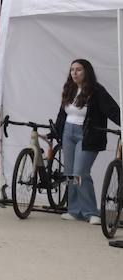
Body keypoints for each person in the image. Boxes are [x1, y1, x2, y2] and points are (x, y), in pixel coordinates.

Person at [50, 58, 120, 224]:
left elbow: (112, 110)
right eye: (72, 69)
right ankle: (74, 210)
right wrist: (54, 133)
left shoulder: (96, 90)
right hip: (68, 132)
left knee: (80, 172)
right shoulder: (69, 89)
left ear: (87, 71)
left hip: (87, 134)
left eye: (79, 69)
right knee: (70, 173)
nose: (74, 72)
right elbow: (62, 115)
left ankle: (91, 212)